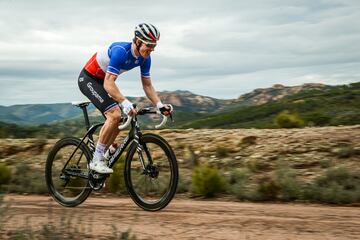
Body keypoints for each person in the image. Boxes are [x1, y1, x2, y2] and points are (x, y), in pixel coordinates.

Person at [78, 23, 172, 174]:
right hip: (89, 79)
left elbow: (147, 85)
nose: (151, 49)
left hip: (104, 81)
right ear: (138, 41)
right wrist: (124, 102)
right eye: (149, 45)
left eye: (154, 46)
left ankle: (104, 154)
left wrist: (159, 105)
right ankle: (96, 160)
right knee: (115, 114)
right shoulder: (121, 51)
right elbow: (109, 83)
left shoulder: (145, 58)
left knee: (118, 119)